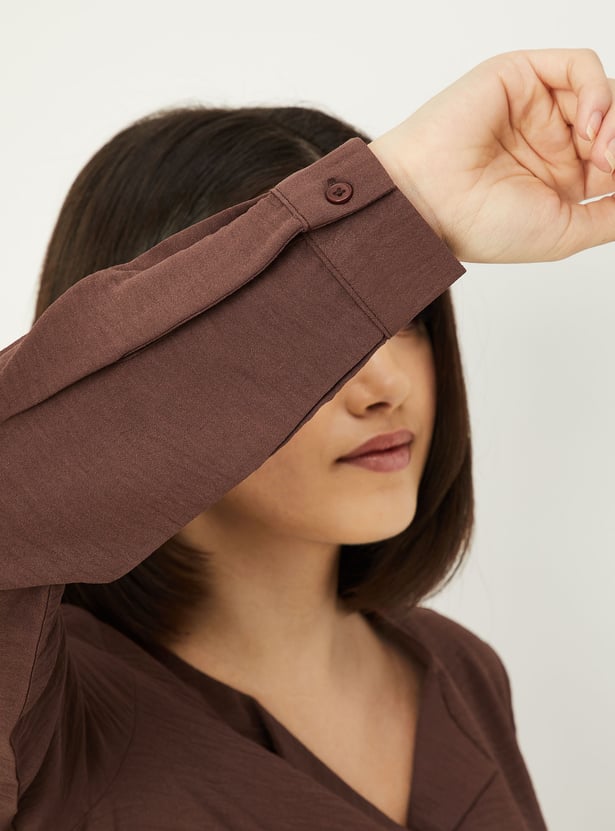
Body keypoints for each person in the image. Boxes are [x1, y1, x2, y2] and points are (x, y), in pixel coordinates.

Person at [1, 47, 613, 831]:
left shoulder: (460, 671)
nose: (384, 386)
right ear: (150, 367)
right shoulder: (46, 724)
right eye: (310, 342)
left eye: (407, 319)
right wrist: (404, 195)